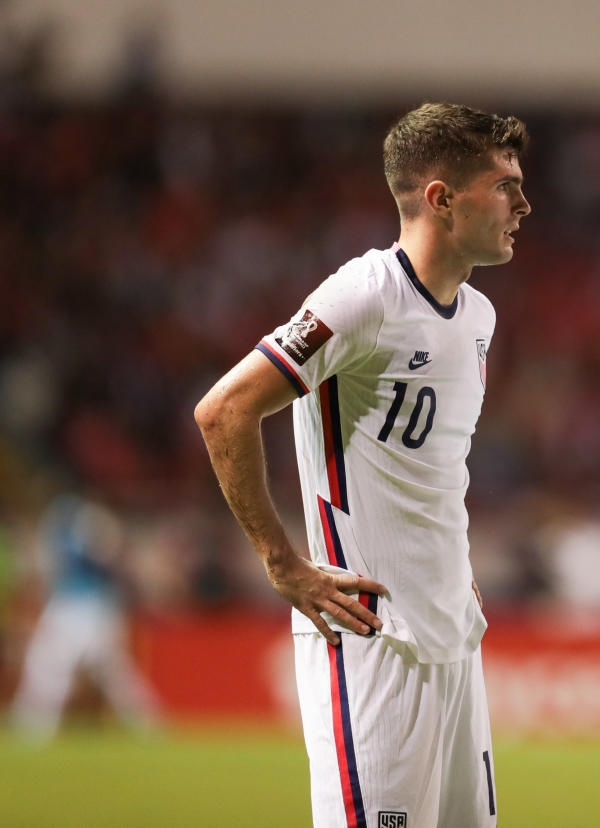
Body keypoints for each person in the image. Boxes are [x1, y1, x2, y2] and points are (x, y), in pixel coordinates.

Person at [195, 102, 530, 828]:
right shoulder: (365, 295)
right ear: (441, 198)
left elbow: (434, 471)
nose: (523, 204)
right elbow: (224, 411)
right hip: (374, 638)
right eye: (504, 184)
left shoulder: (478, 316)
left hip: (453, 637)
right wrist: (282, 564)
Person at [9, 489, 159, 742]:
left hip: (91, 606)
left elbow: (107, 559)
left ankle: (149, 726)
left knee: (105, 671)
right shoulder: (60, 521)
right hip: (69, 603)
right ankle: (31, 729)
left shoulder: (87, 520)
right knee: (50, 665)